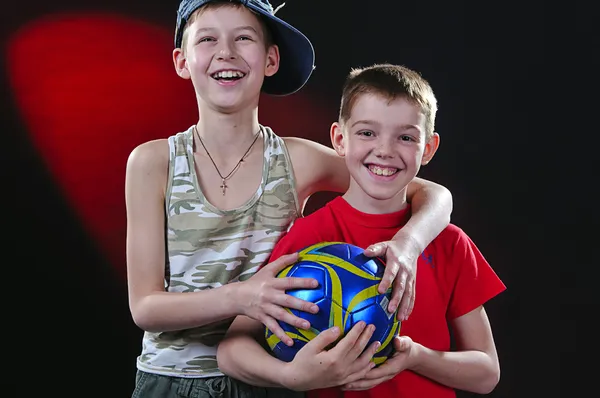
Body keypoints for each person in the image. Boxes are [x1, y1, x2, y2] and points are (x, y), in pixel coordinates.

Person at [125, 0, 454, 396]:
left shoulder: (297, 160)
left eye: (243, 38)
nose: (226, 52)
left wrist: (408, 244)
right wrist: (244, 297)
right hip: (171, 381)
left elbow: (434, 193)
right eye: (208, 38)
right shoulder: (153, 162)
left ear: (270, 59)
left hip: (272, 376)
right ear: (182, 60)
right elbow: (145, 307)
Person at [217, 63, 506, 397]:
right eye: (367, 132)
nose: (384, 150)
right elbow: (231, 349)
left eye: (406, 137)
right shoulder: (310, 237)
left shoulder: (449, 243)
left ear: (428, 148)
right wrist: (289, 375)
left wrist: (415, 357)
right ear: (340, 139)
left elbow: (486, 373)